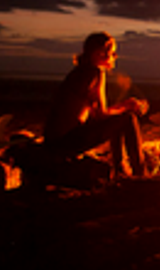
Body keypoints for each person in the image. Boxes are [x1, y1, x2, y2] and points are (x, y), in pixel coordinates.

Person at [44, 32, 149, 179]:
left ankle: (120, 168)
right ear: (99, 53)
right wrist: (127, 107)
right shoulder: (95, 72)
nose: (115, 56)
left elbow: (98, 115)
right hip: (66, 142)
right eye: (112, 52)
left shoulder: (80, 72)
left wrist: (124, 105)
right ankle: (140, 172)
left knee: (120, 119)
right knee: (129, 118)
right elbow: (101, 116)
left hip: (55, 141)